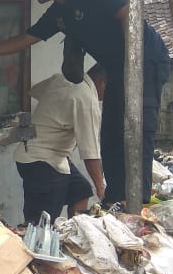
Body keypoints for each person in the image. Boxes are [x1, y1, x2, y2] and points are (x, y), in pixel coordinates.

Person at [0, 0, 170, 208]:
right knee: (111, 133)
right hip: (116, 70)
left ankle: (137, 200)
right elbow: (27, 38)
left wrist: (133, 62)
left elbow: (127, 13)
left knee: (137, 130)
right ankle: (119, 198)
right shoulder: (58, 14)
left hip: (145, 60)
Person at [16, 39, 107, 223]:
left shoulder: (61, 78)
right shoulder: (87, 99)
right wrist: (102, 188)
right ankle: (36, 247)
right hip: (41, 160)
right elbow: (90, 152)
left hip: (49, 157)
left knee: (80, 190)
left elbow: (35, 91)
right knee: (42, 223)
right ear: (102, 82)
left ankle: (75, 233)